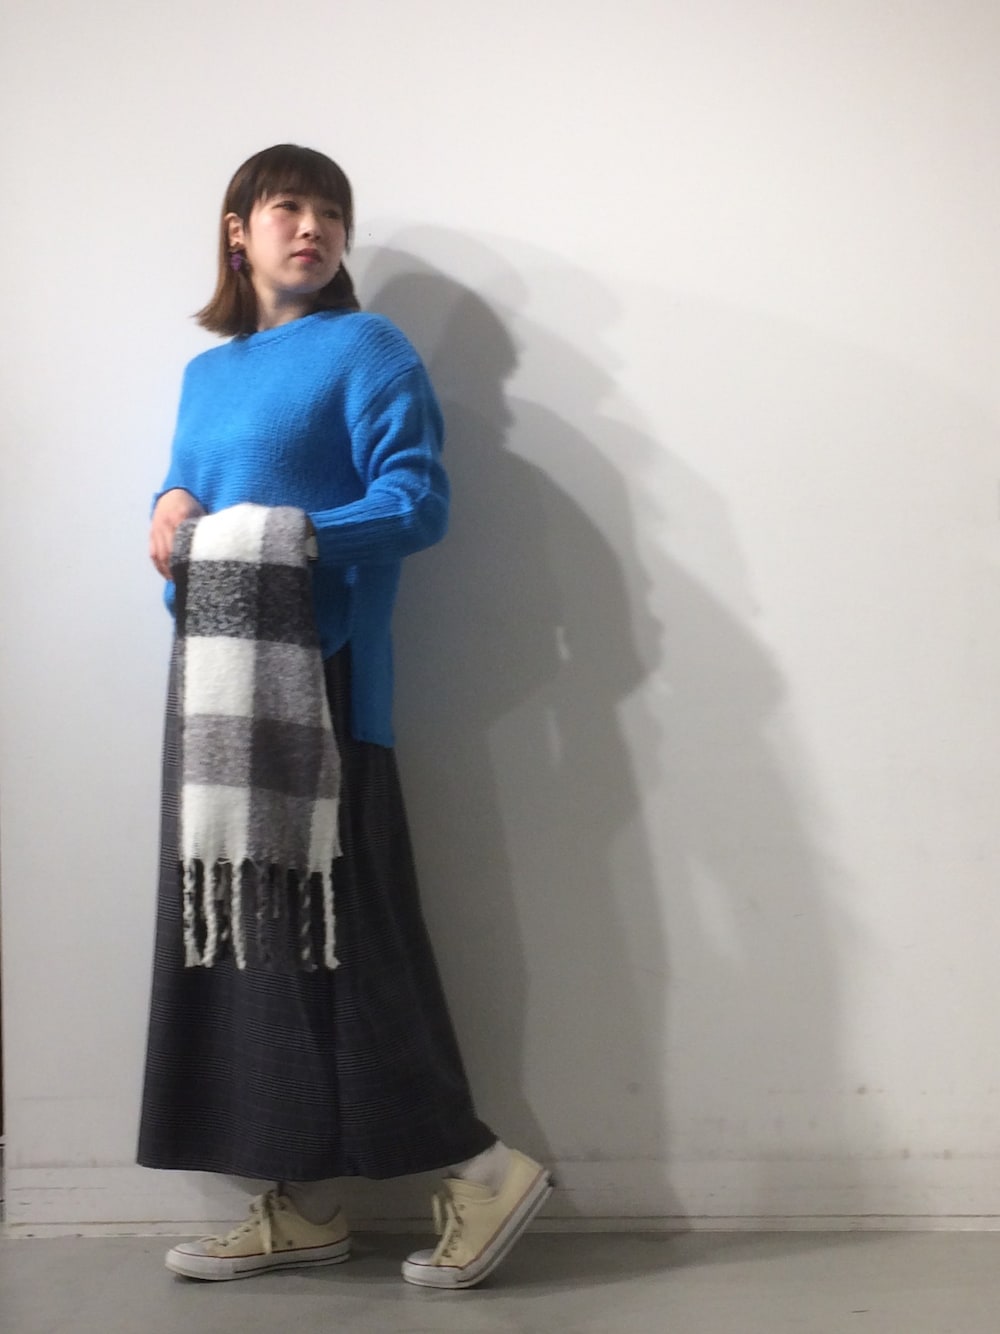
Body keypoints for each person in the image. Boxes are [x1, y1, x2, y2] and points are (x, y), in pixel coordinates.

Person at [139, 143, 552, 1288]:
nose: (312, 226)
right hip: (214, 686)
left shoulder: (366, 347)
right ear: (239, 229)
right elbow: (187, 504)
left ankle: (483, 1168)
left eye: (331, 211)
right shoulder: (207, 375)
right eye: (288, 206)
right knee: (249, 950)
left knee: (346, 936)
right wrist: (169, 501)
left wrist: (279, 533)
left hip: (320, 682)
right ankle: (306, 1197)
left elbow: (414, 504)